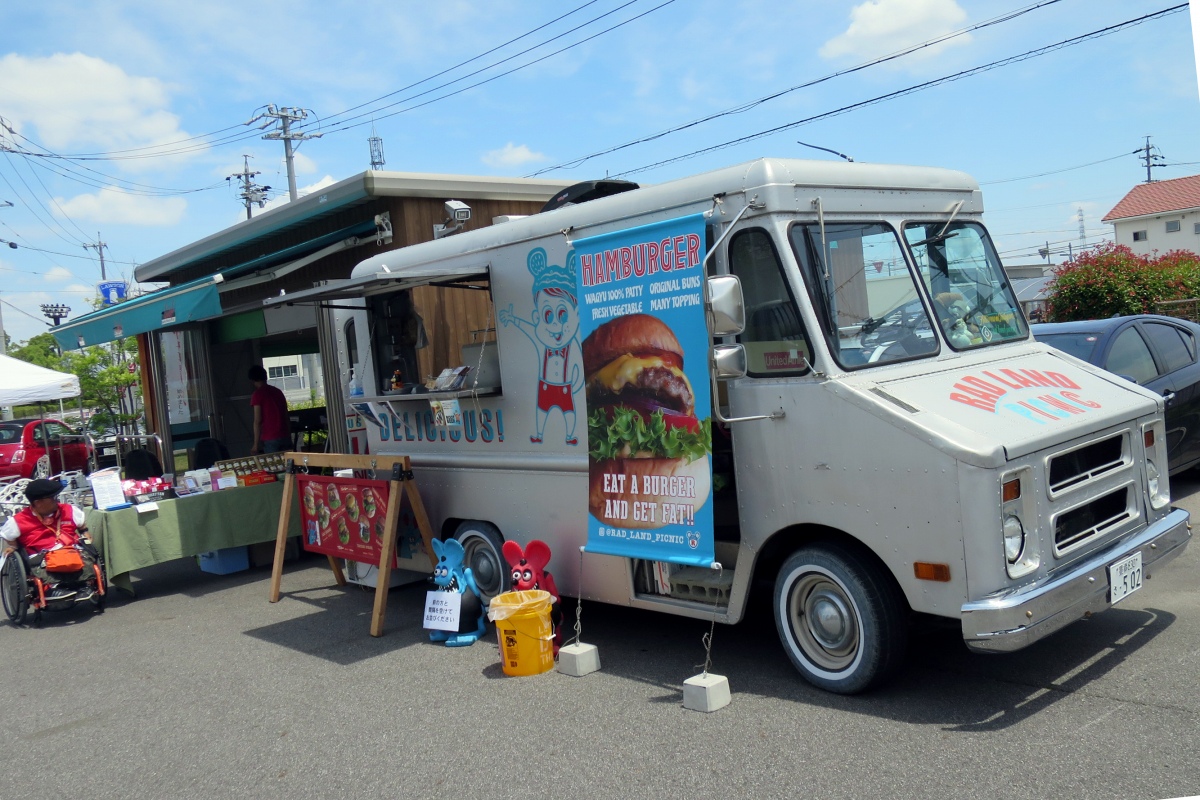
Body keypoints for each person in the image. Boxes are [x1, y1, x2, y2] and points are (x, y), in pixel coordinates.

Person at [1, 478, 97, 599]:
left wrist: (84, 532)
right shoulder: (19, 520)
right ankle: (52, 589)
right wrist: (13, 546)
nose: (55, 500)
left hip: (71, 550)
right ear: (38, 502)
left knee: (85, 557)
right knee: (42, 567)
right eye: (52, 498)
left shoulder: (68, 510)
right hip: (42, 556)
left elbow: (81, 525)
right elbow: (8, 536)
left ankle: (83, 585)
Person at [248, 365, 292, 454]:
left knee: (274, 466)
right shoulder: (278, 392)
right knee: (288, 465)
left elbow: (258, 421)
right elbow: (286, 415)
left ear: (252, 380)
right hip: (284, 435)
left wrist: (255, 444)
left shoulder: (257, 395)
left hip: (270, 437)